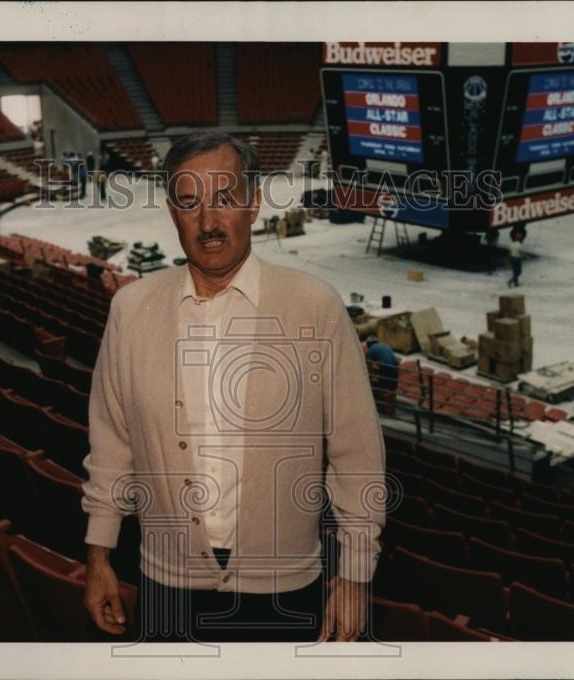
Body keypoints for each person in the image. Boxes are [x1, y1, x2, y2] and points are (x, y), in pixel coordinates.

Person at [81, 131, 386, 644]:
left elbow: (357, 455)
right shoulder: (132, 310)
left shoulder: (315, 307)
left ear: (254, 204)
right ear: (172, 214)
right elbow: (112, 442)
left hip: (286, 590)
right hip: (166, 584)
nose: (208, 220)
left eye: (225, 198)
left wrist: (355, 576)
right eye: (189, 202)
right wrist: (98, 554)